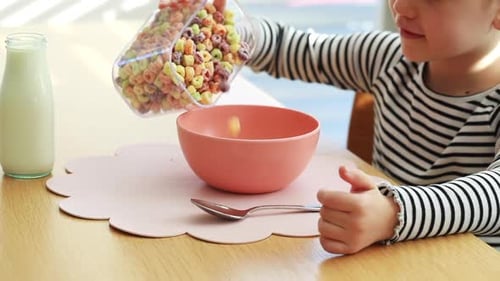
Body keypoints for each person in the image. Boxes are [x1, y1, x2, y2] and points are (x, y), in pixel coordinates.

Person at [213, 0, 500, 254]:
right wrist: (232, 32)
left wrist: (394, 213)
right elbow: (287, 48)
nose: (401, 6)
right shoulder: (387, 58)